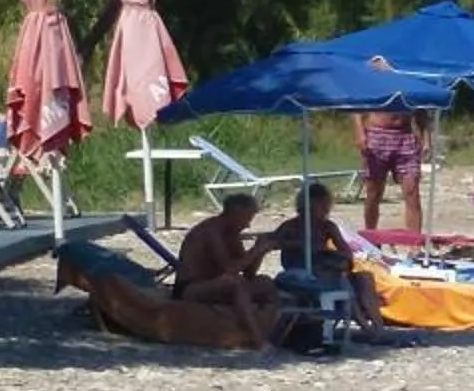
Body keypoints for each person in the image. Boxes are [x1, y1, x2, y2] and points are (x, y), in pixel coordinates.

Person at [265, 183, 396, 340]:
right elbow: (271, 243)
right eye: (319, 206)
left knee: (365, 278)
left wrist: (334, 257)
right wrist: (297, 244)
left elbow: (346, 254)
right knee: (340, 281)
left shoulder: (327, 227)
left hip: (327, 270)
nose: (323, 210)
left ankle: (378, 326)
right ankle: (366, 328)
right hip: (303, 275)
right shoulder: (290, 227)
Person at [175, 193, 283, 347]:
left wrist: (260, 251)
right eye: (247, 218)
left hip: (217, 284)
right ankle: (257, 339)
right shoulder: (212, 231)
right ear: (235, 214)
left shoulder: (232, 234)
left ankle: (267, 331)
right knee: (234, 283)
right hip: (192, 287)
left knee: (265, 283)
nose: (248, 225)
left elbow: (249, 272)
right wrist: (256, 251)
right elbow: (229, 269)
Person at [353, 106, 425, 236]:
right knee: (374, 193)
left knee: (412, 191)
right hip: (377, 135)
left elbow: (421, 108)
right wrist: (360, 132)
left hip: (405, 135)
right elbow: (358, 106)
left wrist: (426, 138)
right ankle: (371, 235)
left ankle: (415, 243)